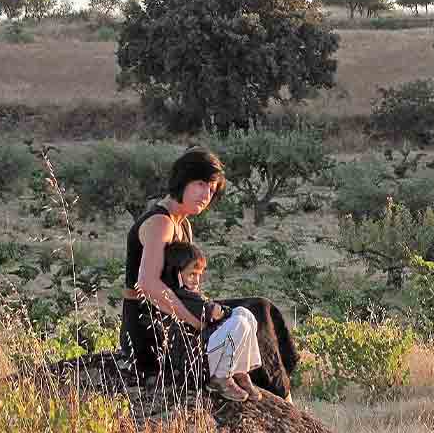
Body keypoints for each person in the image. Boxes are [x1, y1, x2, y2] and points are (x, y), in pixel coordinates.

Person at [120, 146, 301, 401]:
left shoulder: (183, 225)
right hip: (149, 326)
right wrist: (196, 322)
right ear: (182, 180)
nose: (206, 195)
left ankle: (274, 391)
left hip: (174, 313)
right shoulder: (160, 222)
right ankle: (280, 398)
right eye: (200, 184)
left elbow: (187, 288)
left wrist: (207, 311)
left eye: (212, 189)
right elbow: (147, 284)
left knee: (257, 310)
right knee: (256, 309)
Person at [161, 241, 262, 402]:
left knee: (245, 314)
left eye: (199, 274)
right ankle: (220, 378)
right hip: (197, 365)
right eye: (192, 274)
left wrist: (222, 311)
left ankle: (239, 371)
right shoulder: (182, 295)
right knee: (240, 323)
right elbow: (216, 313)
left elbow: (217, 312)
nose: (197, 280)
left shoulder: (187, 293)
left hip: (202, 353)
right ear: (177, 274)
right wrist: (223, 311)